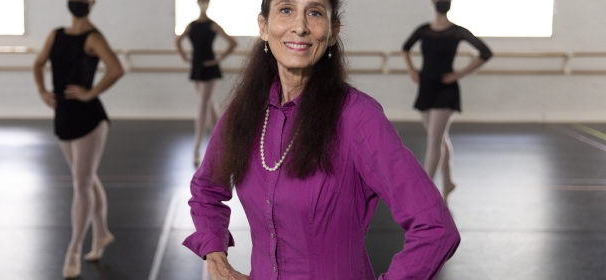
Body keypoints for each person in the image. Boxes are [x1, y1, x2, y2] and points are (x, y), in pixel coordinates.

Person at [182, 0, 460, 279]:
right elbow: (206, 190)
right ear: (264, 27)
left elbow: (435, 227)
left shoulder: (358, 118)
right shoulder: (244, 112)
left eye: (314, 13)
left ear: (332, 31)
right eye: (286, 10)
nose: (300, 27)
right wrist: (216, 259)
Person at [32, 0, 124, 278]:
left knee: (82, 182)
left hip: (89, 119)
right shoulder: (55, 34)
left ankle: (73, 251)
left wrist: (89, 93)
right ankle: (102, 233)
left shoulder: (94, 37)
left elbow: (116, 69)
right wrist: (42, 90)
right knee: (86, 177)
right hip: (64, 116)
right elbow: (37, 64)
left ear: (93, 3)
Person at [402, 0, 492, 204]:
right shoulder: (424, 30)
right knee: (439, 138)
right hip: (426, 88)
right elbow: (405, 48)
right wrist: (411, 69)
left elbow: (486, 52)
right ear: (432, 3)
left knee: (434, 140)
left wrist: (460, 73)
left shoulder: (457, 31)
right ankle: (448, 182)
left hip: (446, 90)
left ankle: (425, 190)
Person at [175, 0, 237, 167]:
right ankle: (221, 142)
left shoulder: (212, 25)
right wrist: (184, 57)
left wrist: (218, 59)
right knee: (208, 103)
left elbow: (232, 43)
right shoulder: (192, 25)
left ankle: (197, 148)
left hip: (209, 68)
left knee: (203, 104)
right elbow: (178, 41)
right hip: (197, 67)